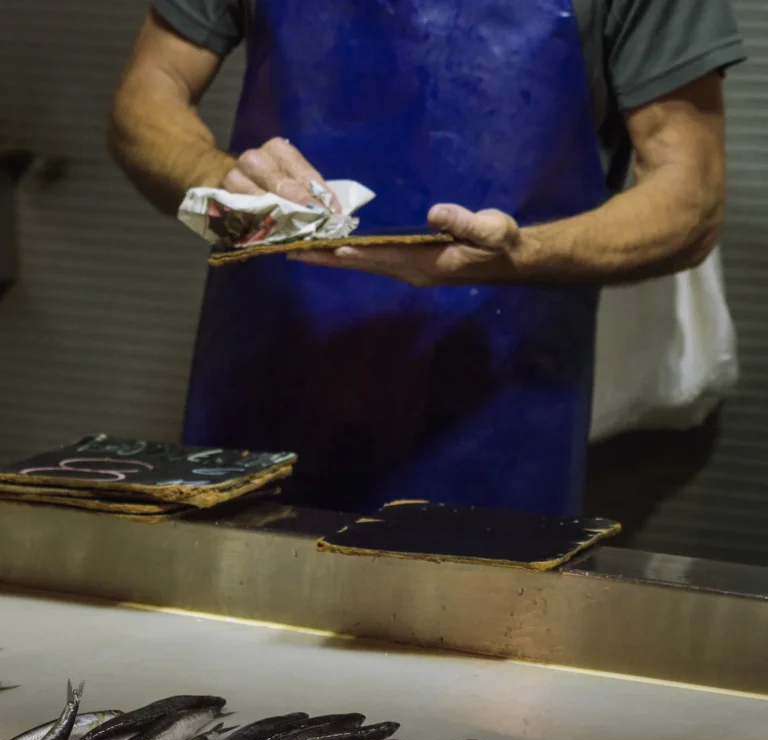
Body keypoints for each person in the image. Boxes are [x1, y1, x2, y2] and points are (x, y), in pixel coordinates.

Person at [110, 1, 745, 515]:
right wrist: (226, 188)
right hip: (264, 374)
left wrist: (526, 252)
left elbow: (689, 196)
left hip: (495, 398)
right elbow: (149, 94)